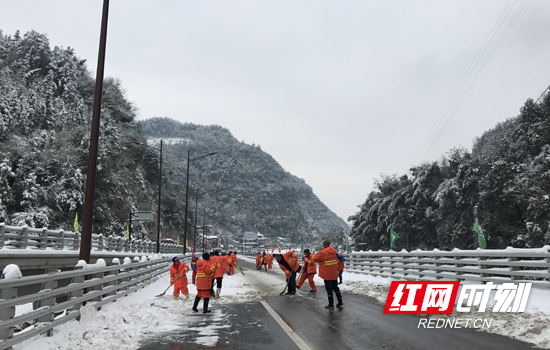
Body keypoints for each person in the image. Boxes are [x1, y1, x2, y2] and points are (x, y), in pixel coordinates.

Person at [313, 240, 343, 309]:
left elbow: (315, 258)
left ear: (323, 245)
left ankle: (331, 304)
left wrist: (320, 251)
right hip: (334, 273)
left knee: (329, 289)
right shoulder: (334, 251)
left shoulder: (323, 252)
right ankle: (340, 302)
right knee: (336, 288)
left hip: (327, 274)